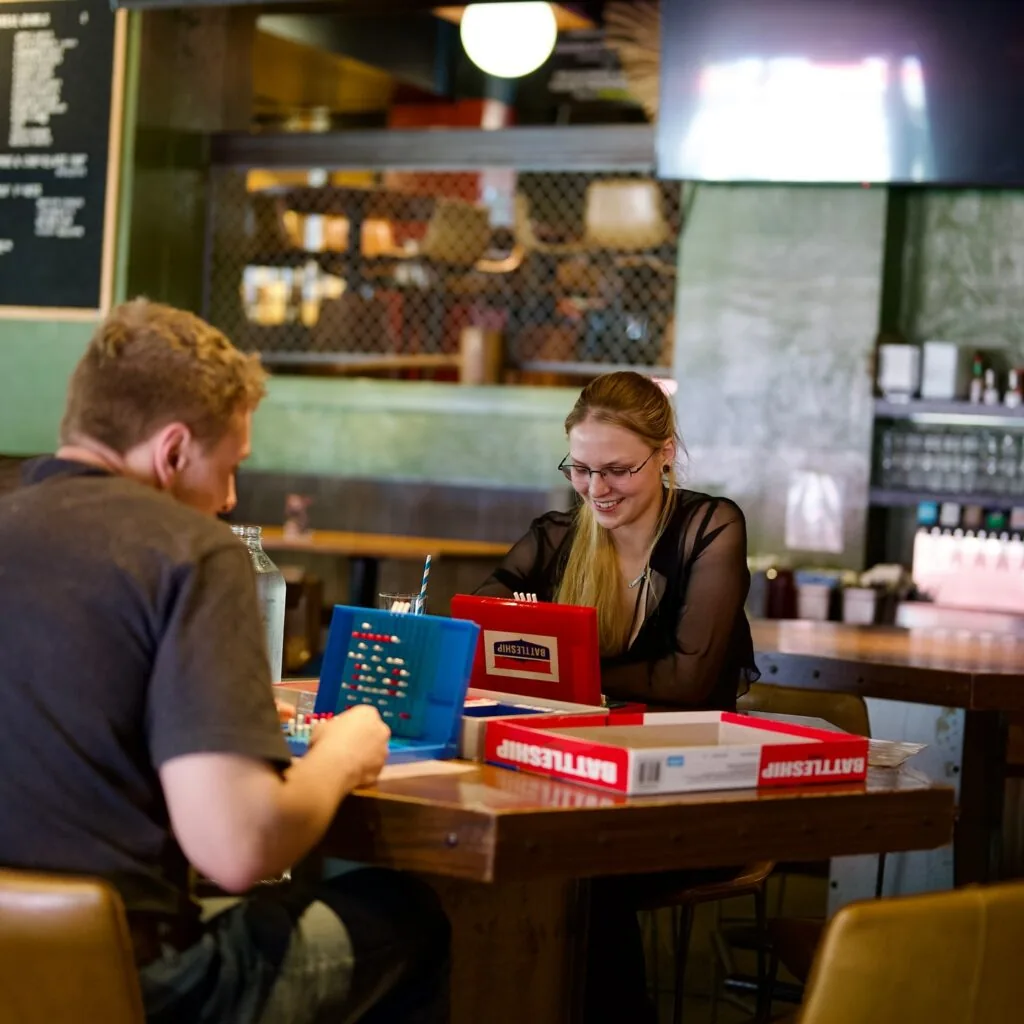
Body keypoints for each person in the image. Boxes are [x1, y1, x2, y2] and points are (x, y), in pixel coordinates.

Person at [0, 299, 449, 1024]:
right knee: (407, 920)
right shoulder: (189, 550)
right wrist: (341, 753)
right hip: (131, 984)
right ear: (173, 451)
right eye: (231, 467)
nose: (232, 498)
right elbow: (237, 847)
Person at [476, 370, 760, 1023]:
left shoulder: (709, 528)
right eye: (580, 470)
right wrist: (516, 630)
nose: (596, 491)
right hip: (579, 783)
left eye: (617, 470)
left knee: (579, 873)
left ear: (665, 453)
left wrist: (561, 663)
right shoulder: (556, 535)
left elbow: (685, 681)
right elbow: (479, 619)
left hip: (690, 792)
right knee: (522, 860)